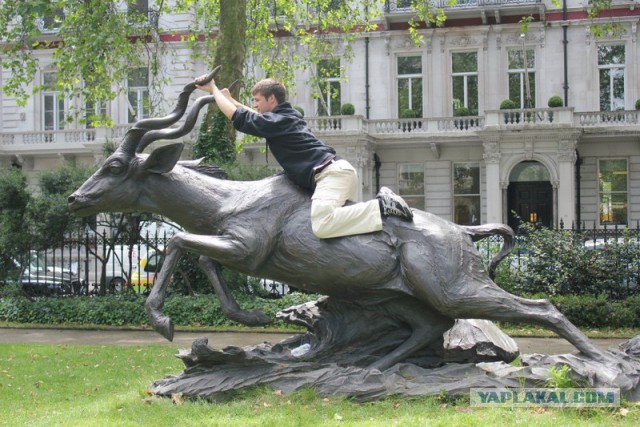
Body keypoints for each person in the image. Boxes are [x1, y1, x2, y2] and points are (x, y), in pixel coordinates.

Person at [195, 75, 413, 239]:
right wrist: (230, 99)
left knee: (322, 224)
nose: (254, 104)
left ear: (272, 99)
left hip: (331, 175)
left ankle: (383, 205)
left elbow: (240, 118)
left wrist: (213, 90)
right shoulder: (284, 117)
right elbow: (250, 115)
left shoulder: (279, 121)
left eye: (257, 100)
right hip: (336, 173)